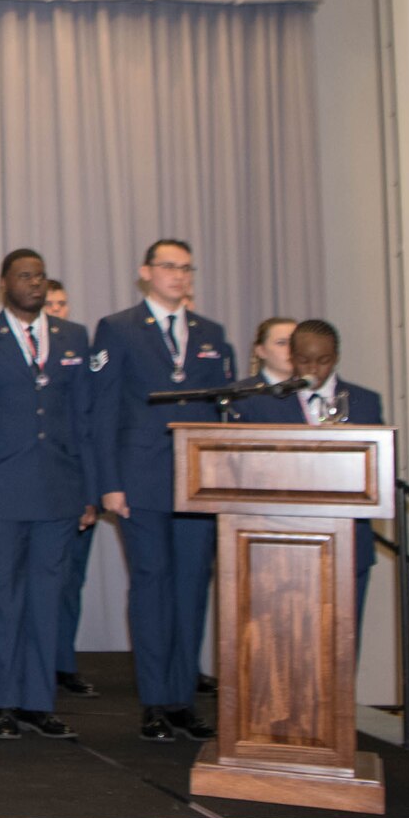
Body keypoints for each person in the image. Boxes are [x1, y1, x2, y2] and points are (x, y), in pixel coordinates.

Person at [94, 239, 233, 742]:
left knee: (192, 589)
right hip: (141, 480)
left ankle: (182, 699)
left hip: (197, 484)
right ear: (146, 272)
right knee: (152, 587)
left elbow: (224, 415)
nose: (179, 275)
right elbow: (104, 410)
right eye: (169, 267)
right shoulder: (119, 328)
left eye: (185, 268)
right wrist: (108, 483)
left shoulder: (211, 334)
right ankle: (154, 700)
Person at [0, 250, 98, 741]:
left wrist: (90, 487)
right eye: (24, 276)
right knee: (1, 597)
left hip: (59, 490)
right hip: (1, 490)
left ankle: (39, 701)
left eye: (40, 276)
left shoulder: (73, 337)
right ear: (5, 284)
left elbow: (86, 417)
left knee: (48, 597)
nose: (34, 283)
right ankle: (5, 701)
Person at [232, 319, 384, 613]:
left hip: (349, 547)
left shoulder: (365, 402)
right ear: (291, 357)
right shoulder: (261, 402)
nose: (313, 369)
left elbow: (378, 471)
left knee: (342, 648)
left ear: (336, 357)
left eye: (323, 360)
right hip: (280, 547)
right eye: (304, 360)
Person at [44, 278, 98, 699]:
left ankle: (64, 660)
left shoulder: (78, 347)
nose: (57, 310)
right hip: (33, 489)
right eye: (51, 303)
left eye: (62, 303)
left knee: (70, 580)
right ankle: (42, 664)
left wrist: (92, 491)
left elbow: (90, 423)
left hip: (74, 485)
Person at [246, 317, 298, 388]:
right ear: (261, 351)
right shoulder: (241, 394)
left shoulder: (309, 393)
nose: (291, 349)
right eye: (281, 343)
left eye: (295, 342)